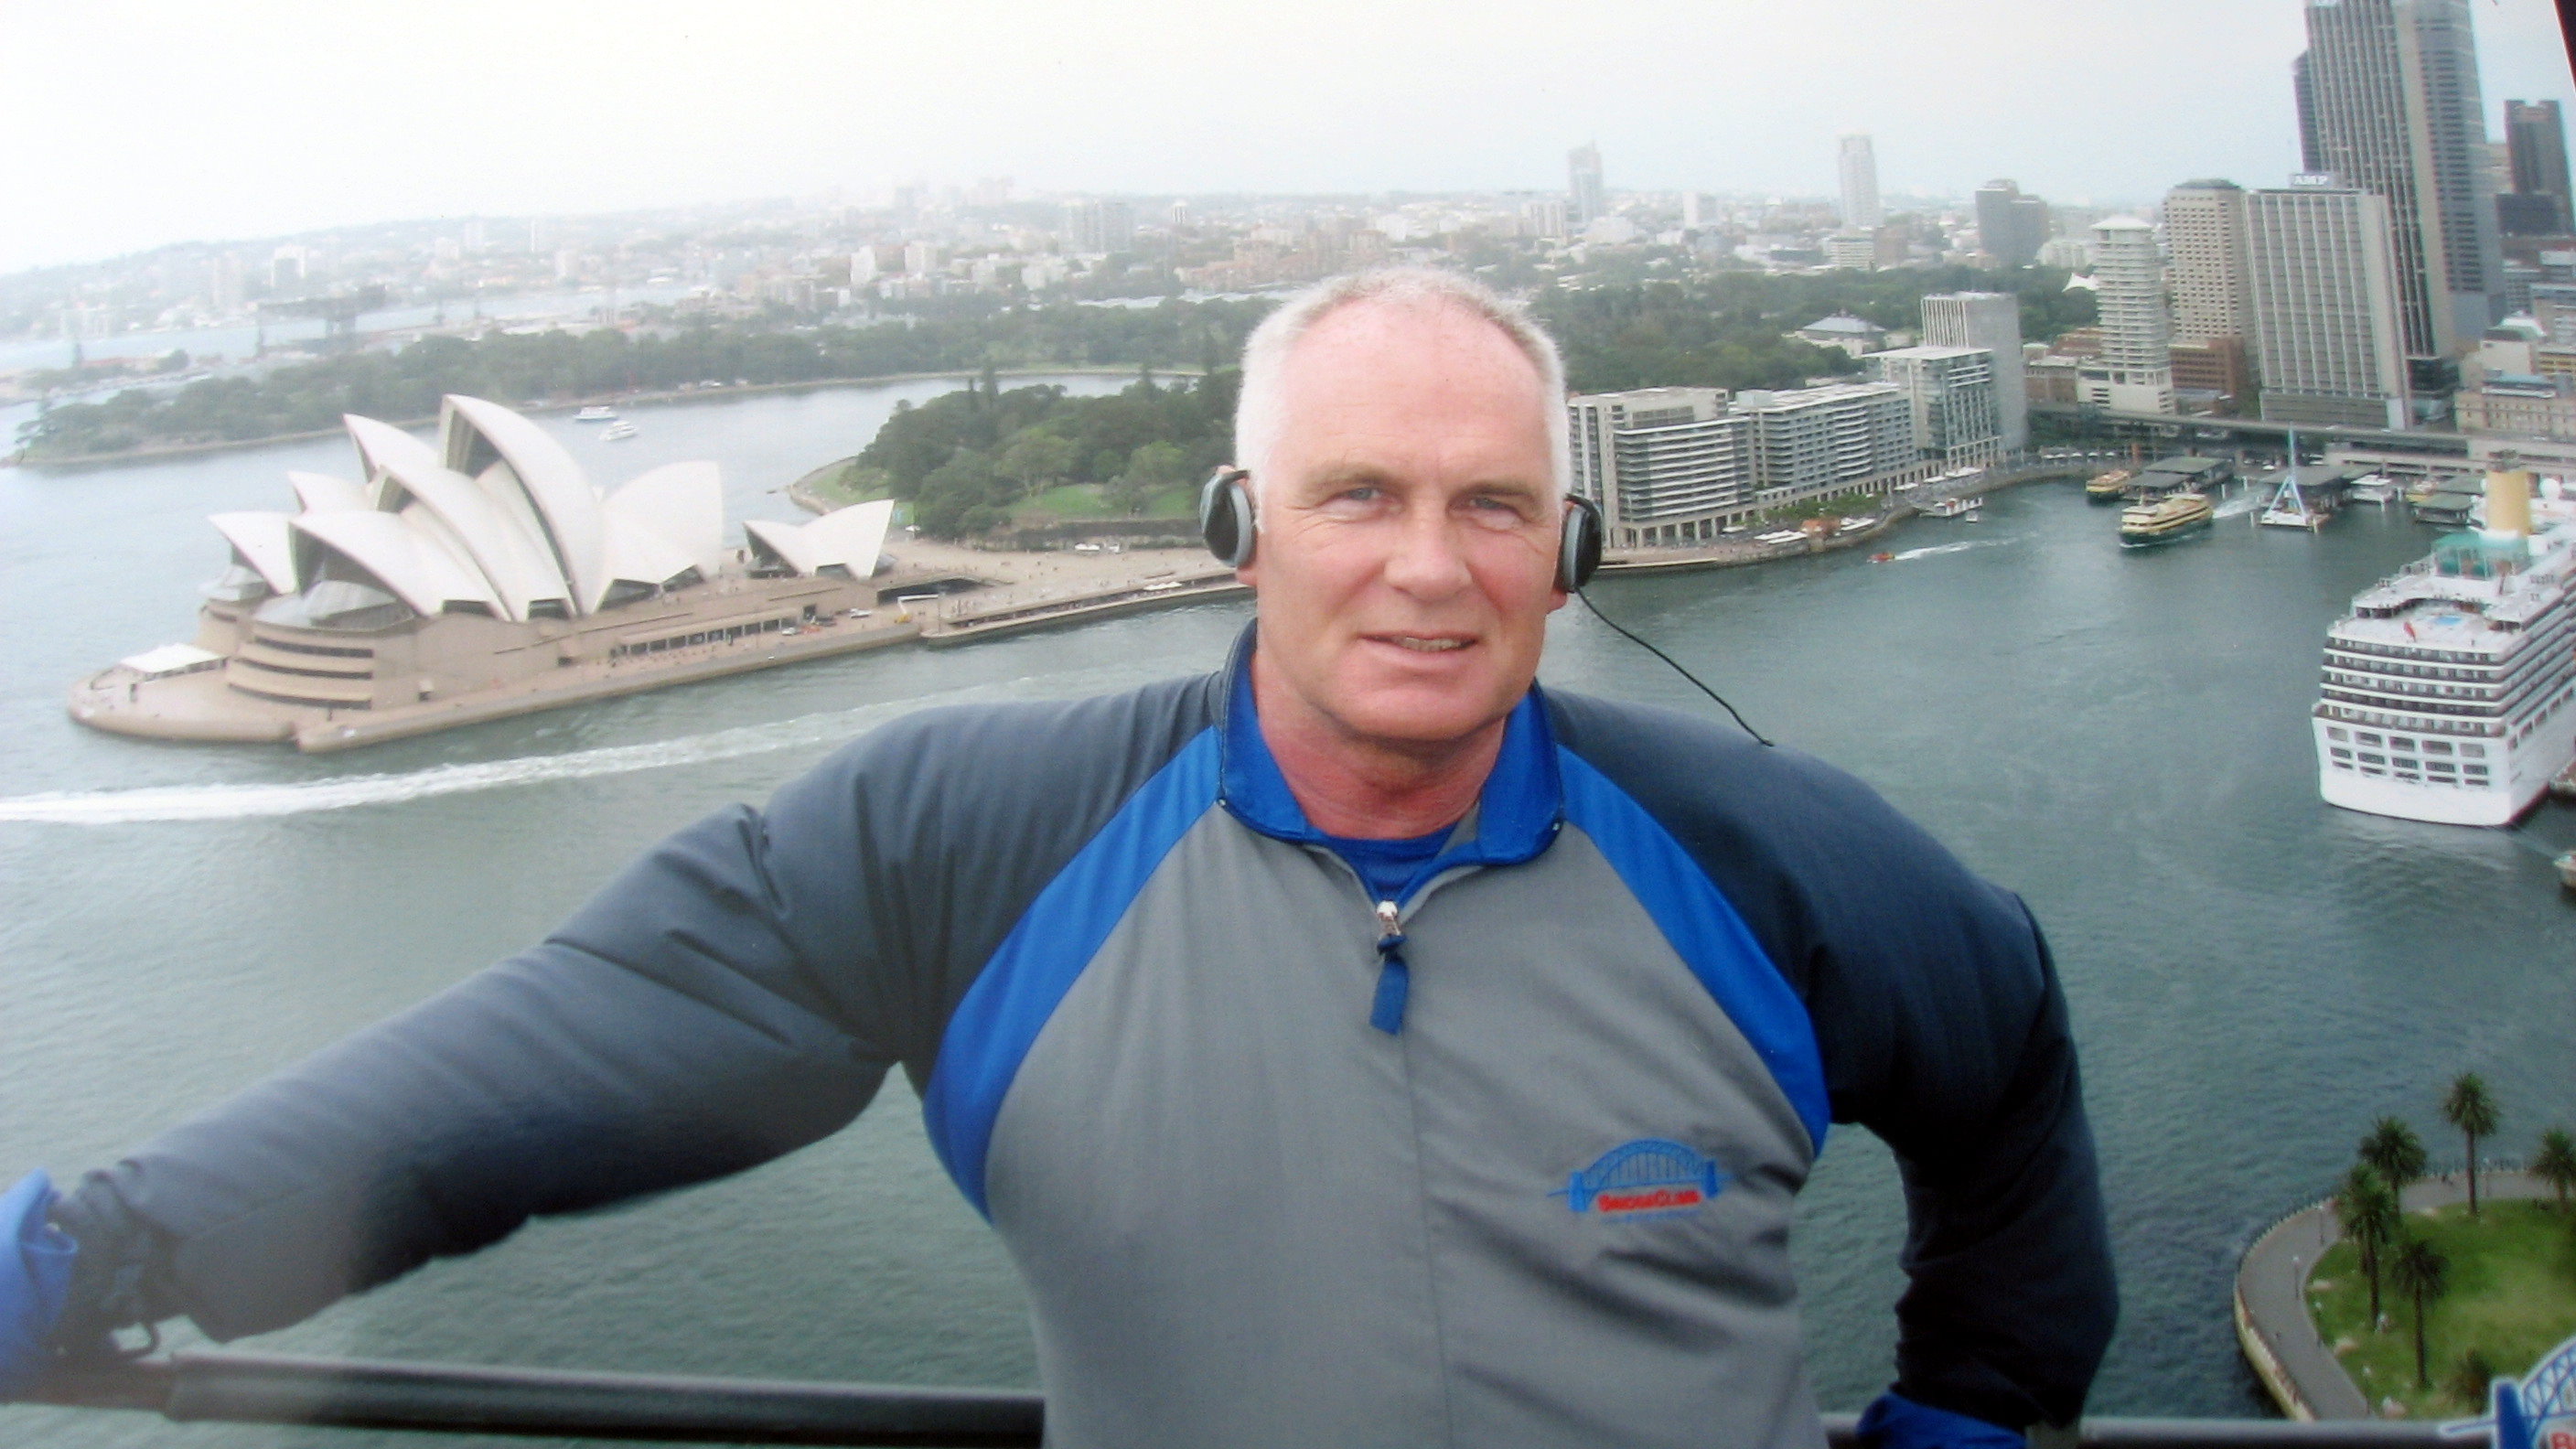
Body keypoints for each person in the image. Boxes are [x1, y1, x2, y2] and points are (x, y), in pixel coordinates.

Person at [2, 268, 2113, 1449]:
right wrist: (101, 1250)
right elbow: (542, 1064)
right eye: (1353, 492)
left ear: (1566, 556)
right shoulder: (977, 844)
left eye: (1489, 506)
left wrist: (1976, 1416)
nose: (1421, 567)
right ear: (1234, 526)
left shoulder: (1768, 865)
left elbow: (2005, 1057)